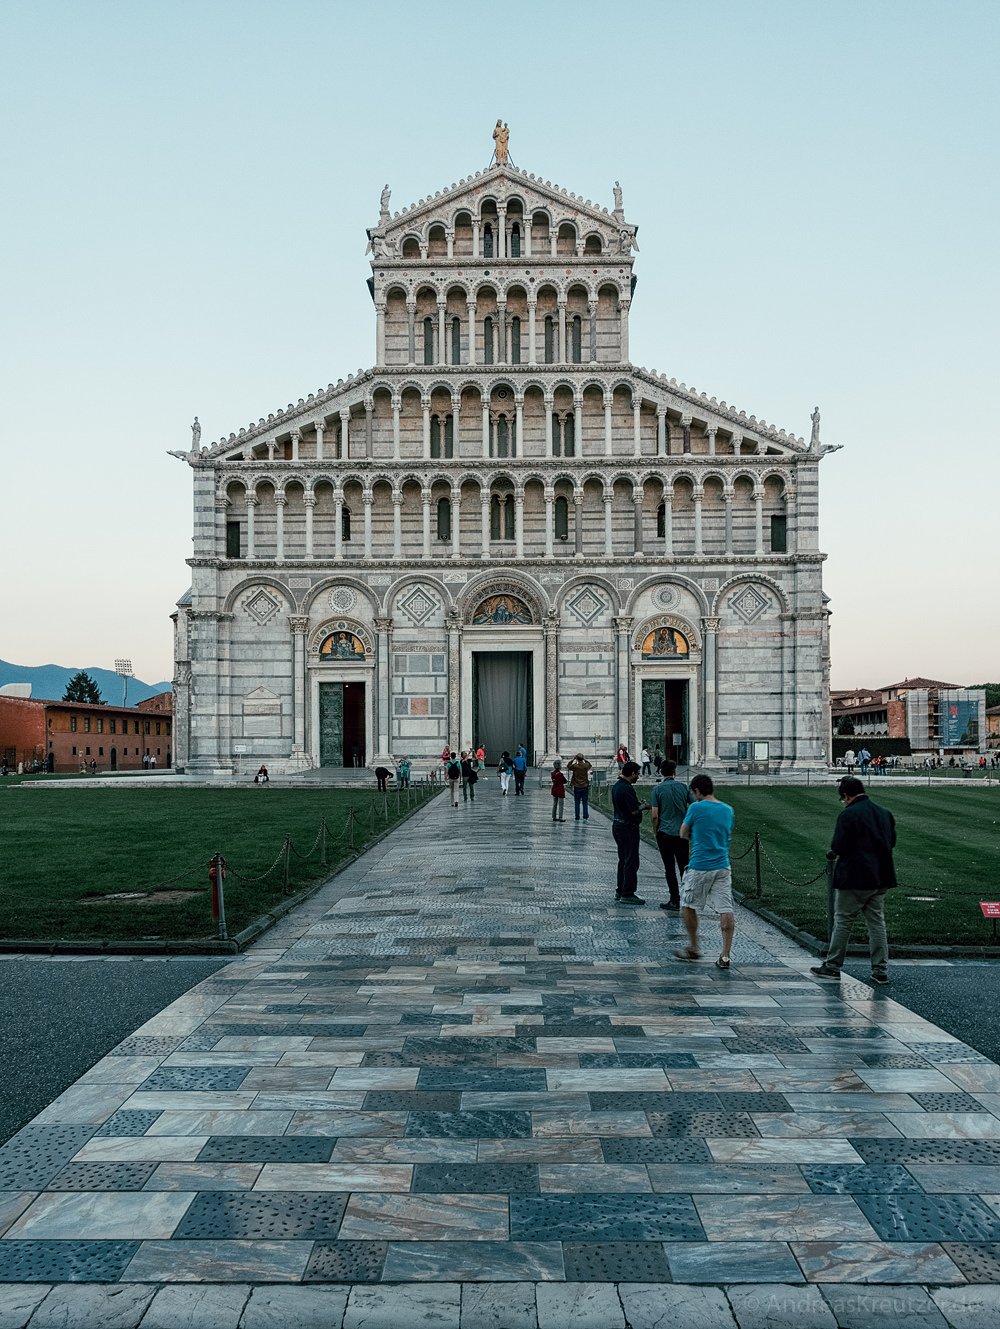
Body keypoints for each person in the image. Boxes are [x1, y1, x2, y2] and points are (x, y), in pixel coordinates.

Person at [811, 775, 896, 986]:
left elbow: (839, 846)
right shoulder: (884, 813)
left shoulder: (848, 815)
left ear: (846, 796)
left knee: (843, 922)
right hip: (880, 876)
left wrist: (833, 853)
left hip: (855, 877)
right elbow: (891, 841)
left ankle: (832, 966)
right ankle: (880, 969)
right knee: (877, 924)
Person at [676, 774, 736, 969]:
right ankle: (725, 955)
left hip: (700, 864)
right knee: (726, 908)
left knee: (688, 904)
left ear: (697, 791)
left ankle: (694, 946)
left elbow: (682, 833)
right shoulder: (728, 810)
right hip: (722, 865)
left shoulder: (696, 807)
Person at [650, 759, 692, 911]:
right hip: (682, 833)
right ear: (675, 772)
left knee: (669, 868)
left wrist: (656, 831)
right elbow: (694, 806)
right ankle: (687, 900)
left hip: (665, 833)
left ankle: (674, 899)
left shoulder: (657, 789)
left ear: (661, 772)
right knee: (684, 867)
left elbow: (655, 815)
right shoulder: (684, 788)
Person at [611, 760, 647, 903]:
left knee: (623, 859)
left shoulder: (617, 786)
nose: (638, 777)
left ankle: (620, 890)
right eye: (637, 774)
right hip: (628, 827)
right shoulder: (627, 788)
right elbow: (633, 811)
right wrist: (643, 807)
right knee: (631, 860)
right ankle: (628, 893)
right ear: (632, 774)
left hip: (618, 825)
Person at [567, 752, 593, 821]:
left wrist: (573, 759)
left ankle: (577, 817)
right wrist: (585, 759)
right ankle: (585, 816)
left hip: (577, 786)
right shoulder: (585, 766)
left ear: (577, 759)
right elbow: (590, 765)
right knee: (585, 802)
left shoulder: (575, 766)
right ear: (582, 758)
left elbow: (568, 766)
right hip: (584, 785)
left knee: (577, 802)